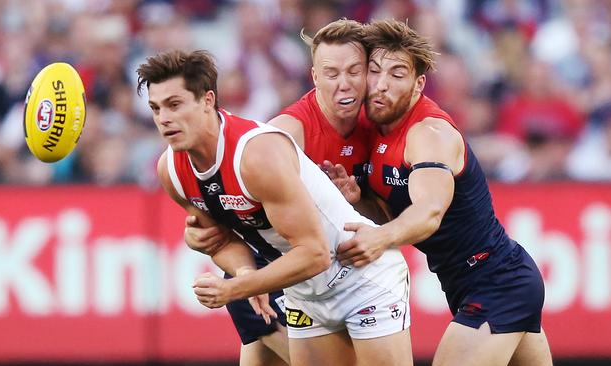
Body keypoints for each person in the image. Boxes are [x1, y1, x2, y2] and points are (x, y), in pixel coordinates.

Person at [136, 49, 413, 366]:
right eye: (155, 108)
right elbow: (221, 240)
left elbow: (315, 253)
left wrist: (237, 287)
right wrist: (243, 269)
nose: (164, 119)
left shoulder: (256, 154)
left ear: (208, 100)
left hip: (361, 277)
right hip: (303, 291)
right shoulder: (169, 170)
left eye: (175, 105)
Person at [333, 20, 553, 365]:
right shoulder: (375, 131)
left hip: (497, 282)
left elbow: (430, 212)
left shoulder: (429, 133)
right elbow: (395, 214)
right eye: (374, 71)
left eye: (397, 74)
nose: (381, 85)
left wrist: (379, 239)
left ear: (419, 84)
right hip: (475, 282)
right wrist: (359, 200)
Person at [181, 19, 376, 365]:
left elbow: (374, 225)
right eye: (331, 74)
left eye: (354, 72)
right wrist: (202, 230)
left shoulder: (373, 126)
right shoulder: (288, 131)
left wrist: (356, 203)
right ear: (315, 78)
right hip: (272, 269)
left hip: (319, 270)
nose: (344, 84)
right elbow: (232, 201)